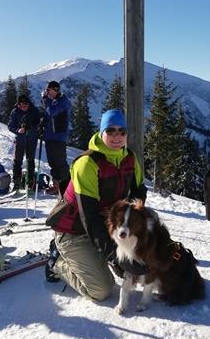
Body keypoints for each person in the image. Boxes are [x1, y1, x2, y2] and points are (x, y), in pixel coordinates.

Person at [44, 109, 147, 301]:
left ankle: (95, 256)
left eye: (122, 131)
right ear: (101, 133)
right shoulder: (87, 164)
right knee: (101, 290)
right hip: (75, 231)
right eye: (111, 131)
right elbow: (89, 216)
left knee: (134, 266)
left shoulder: (130, 158)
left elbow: (139, 192)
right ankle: (57, 262)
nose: (117, 136)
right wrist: (116, 255)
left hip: (104, 226)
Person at [38, 80, 72, 197]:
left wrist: (46, 101)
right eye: (46, 90)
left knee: (60, 163)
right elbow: (48, 116)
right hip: (50, 136)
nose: (46, 92)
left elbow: (52, 112)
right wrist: (42, 124)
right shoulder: (53, 101)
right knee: (52, 162)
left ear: (55, 90)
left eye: (48, 90)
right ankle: (57, 185)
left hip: (59, 137)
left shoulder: (63, 101)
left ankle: (67, 186)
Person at [7, 94, 41, 191]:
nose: (22, 108)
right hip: (20, 139)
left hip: (31, 139)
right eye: (20, 106)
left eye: (25, 106)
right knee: (17, 160)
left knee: (30, 160)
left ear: (28, 104)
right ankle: (17, 183)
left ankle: (30, 183)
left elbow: (38, 122)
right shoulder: (15, 112)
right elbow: (10, 126)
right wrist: (18, 130)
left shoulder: (34, 111)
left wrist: (32, 127)